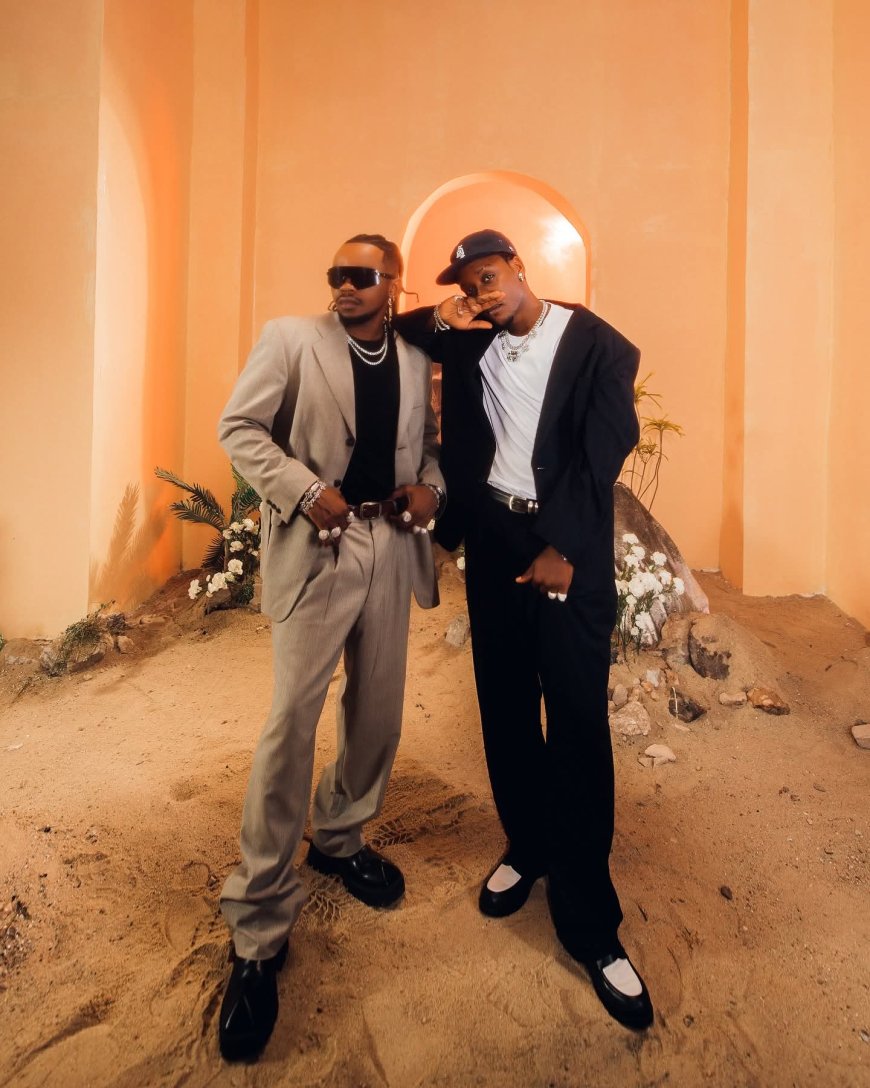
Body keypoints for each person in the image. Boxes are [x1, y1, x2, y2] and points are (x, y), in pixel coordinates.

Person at [393, 229, 653, 1031]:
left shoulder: (598, 344)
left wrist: (564, 547)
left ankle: (592, 924)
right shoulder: (473, 338)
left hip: (565, 546)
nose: (484, 292)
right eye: (470, 284)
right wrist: (444, 314)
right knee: (505, 707)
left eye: (491, 276)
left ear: (519, 267)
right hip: (496, 538)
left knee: (575, 723)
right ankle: (527, 847)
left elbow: (605, 452)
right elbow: (401, 331)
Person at [215, 233, 444, 1061]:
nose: (344, 286)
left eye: (361, 275)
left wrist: (433, 489)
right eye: (336, 275)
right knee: (290, 726)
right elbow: (240, 428)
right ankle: (258, 927)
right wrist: (305, 489)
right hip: (319, 546)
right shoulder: (290, 339)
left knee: (378, 714)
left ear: (393, 283)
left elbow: (432, 450)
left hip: (390, 544)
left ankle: (340, 837)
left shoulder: (415, 357)